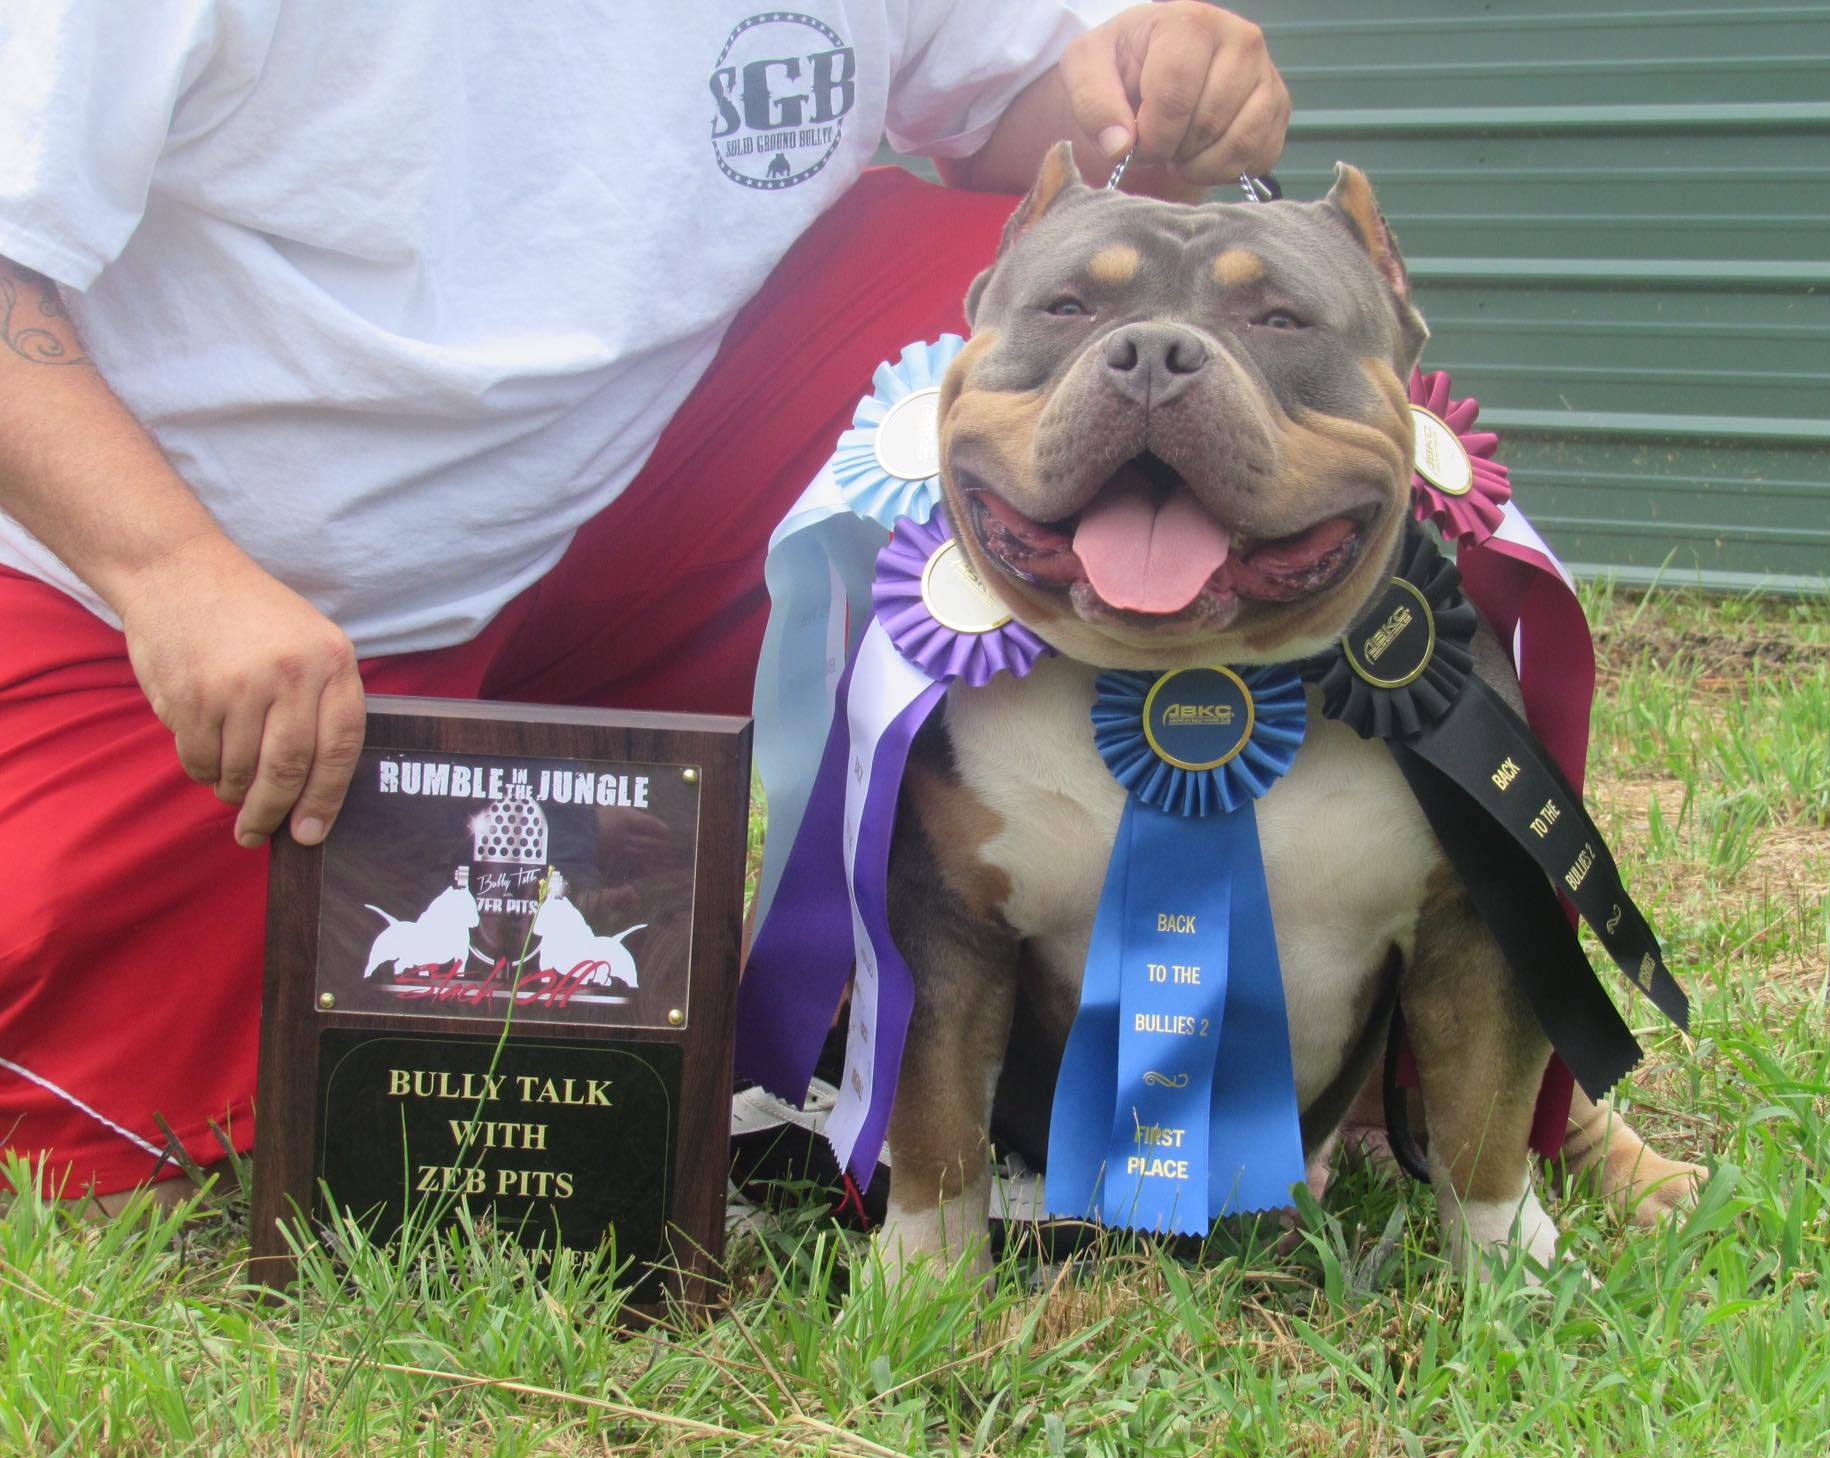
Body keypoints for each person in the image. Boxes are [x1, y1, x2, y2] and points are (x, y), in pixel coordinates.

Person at [0, 1, 1289, 1199]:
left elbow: (1035, 126)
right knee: (93, 1050)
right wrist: (171, 575)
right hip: (225, 587)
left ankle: (1067, 984)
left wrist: (1160, 96)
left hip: (652, 504)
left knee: (1024, 295)